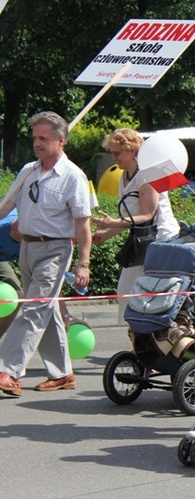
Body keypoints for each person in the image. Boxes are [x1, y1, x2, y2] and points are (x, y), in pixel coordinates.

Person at [0, 111, 91, 397]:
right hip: (26, 247)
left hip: (55, 249)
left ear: (60, 141)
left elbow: (82, 224)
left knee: (33, 309)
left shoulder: (73, 176)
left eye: (43, 138)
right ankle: (62, 373)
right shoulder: (28, 170)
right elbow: (5, 207)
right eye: (34, 138)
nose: (37, 143)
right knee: (45, 309)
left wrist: (83, 263)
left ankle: (7, 369)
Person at [92, 128, 180, 322]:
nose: (114, 158)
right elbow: (131, 218)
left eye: (118, 153)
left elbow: (147, 214)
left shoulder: (147, 174)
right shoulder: (124, 176)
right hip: (142, 241)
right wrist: (105, 233)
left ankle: (146, 336)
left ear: (133, 151)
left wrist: (112, 223)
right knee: (125, 290)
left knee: (145, 295)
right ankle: (136, 337)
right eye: (112, 153)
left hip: (161, 241)